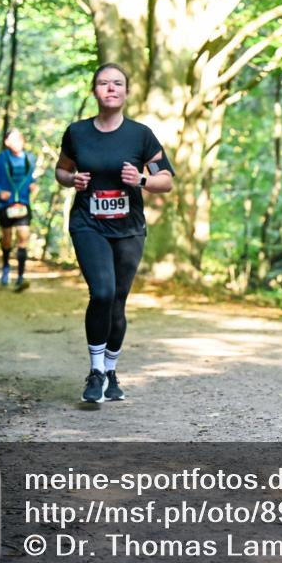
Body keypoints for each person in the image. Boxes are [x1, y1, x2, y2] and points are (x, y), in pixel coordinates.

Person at [55, 63, 175, 404]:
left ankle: (110, 371)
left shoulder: (140, 135)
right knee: (103, 292)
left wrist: (141, 179)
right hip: (88, 224)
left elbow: (164, 180)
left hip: (129, 229)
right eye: (104, 83)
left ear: (126, 92)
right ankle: (94, 371)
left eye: (118, 83)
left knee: (118, 301)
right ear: (94, 91)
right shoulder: (76, 133)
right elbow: (61, 170)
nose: (111, 88)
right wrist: (71, 180)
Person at [0, 128, 37, 291]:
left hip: (22, 205)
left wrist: (33, 184)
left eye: (20, 139)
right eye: (14, 139)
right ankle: (5, 269)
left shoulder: (30, 158)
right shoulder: (0, 159)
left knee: (23, 237)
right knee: (6, 239)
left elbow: (29, 177)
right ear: (7, 142)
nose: (18, 142)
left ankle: (20, 276)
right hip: (5, 206)